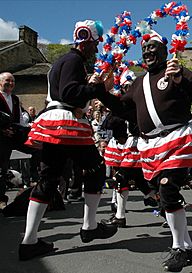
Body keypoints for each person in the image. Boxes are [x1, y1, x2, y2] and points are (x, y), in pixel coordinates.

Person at [96, 30, 192, 272]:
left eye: (153, 48)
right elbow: (123, 109)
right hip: (151, 145)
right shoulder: (138, 83)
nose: (147, 52)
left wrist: (181, 81)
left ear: (164, 51)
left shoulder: (176, 70)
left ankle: (179, 248)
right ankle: (186, 247)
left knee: (167, 186)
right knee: (163, 193)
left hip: (178, 138)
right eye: (144, 49)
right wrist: (100, 93)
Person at [19, 20, 118, 261]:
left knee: (48, 179)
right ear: (87, 42)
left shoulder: (59, 63)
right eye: (95, 45)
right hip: (66, 123)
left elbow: (66, 90)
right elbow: (70, 93)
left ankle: (29, 241)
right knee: (96, 170)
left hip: (55, 121)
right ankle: (89, 226)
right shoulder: (74, 61)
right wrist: (93, 88)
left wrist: (94, 85)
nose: (96, 49)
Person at [0, 72, 24, 209]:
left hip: (12, 137)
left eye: (13, 81)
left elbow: (19, 119)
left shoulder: (14, 98)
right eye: (7, 81)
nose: (10, 83)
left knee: (4, 169)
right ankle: (1, 199)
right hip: (1, 138)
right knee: (1, 169)